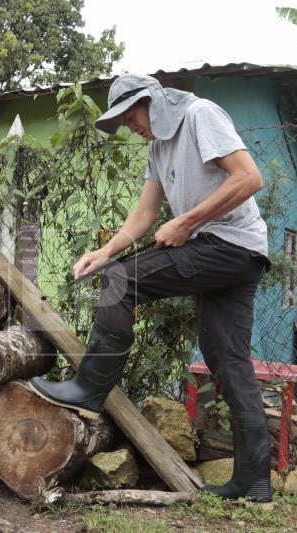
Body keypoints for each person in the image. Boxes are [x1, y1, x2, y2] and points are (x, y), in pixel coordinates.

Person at [29, 73, 273, 502]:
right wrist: (104, 252)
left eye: (129, 116)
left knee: (123, 281)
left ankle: (89, 387)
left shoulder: (200, 115)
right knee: (225, 357)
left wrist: (186, 222)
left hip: (231, 247)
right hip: (234, 254)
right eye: (122, 123)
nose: (130, 127)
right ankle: (254, 480)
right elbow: (144, 214)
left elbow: (249, 178)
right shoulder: (159, 148)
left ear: (151, 102)